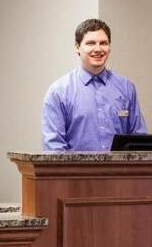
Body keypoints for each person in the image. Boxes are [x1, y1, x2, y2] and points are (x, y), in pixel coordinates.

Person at [42, 18, 146, 151]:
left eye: (103, 43)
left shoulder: (126, 88)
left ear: (109, 47)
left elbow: (138, 141)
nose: (98, 49)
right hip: (75, 166)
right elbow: (54, 148)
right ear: (77, 47)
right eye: (90, 43)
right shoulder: (58, 92)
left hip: (120, 166)